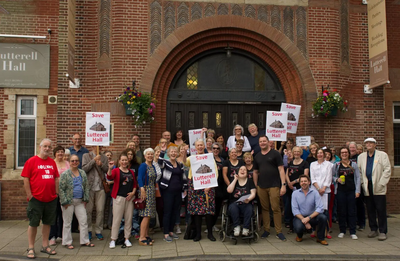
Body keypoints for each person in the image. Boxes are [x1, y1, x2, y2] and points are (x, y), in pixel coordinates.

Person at [22, 138, 59, 259]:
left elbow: (56, 178)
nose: (47, 149)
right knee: (33, 223)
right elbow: (26, 179)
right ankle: (31, 247)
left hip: (50, 199)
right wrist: (29, 195)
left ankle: (45, 246)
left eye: (49, 147)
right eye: (45, 146)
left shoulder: (52, 162)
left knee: (47, 223)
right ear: (40, 147)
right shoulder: (31, 161)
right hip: (36, 199)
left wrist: (56, 193)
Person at [253, 135, 287, 241]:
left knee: (275, 208)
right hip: (261, 186)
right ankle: (266, 230)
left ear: (268, 142)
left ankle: (279, 231)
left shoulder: (275, 154)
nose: (262, 143)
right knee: (265, 209)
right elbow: (255, 172)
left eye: (264, 141)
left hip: (274, 185)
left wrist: (283, 185)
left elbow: (281, 169)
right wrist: (256, 185)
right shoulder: (257, 156)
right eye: (260, 141)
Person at [357, 138, 391, 241]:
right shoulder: (361, 157)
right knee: (370, 209)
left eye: (371, 143)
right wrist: (362, 183)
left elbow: (387, 170)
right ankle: (373, 228)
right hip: (367, 186)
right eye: (367, 143)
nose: (368, 145)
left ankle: (382, 231)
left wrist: (381, 183)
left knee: (380, 210)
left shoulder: (382, 155)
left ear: (375, 145)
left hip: (378, 186)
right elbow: (359, 172)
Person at [185, 139, 218, 242]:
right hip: (195, 186)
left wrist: (210, 186)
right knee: (197, 211)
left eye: (201, 145)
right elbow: (183, 162)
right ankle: (198, 234)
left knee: (208, 211)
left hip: (208, 186)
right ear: (195, 147)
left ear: (204, 146)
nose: (199, 147)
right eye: (198, 145)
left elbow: (215, 172)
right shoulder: (191, 158)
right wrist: (183, 152)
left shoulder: (209, 158)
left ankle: (210, 233)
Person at [59, 154, 94, 249]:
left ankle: (85, 240)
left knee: (83, 221)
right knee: (67, 222)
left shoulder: (82, 173)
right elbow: (61, 189)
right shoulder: (65, 174)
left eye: (76, 161)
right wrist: (64, 201)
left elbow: (86, 187)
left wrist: (85, 199)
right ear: (69, 162)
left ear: (79, 162)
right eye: (72, 161)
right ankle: (67, 242)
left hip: (80, 202)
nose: (74, 162)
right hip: (68, 202)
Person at [107, 153, 137, 249]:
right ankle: (113, 239)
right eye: (122, 160)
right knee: (117, 219)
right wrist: (110, 168)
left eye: (125, 160)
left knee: (128, 219)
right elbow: (109, 177)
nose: (124, 162)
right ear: (119, 161)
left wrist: (133, 193)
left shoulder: (131, 172)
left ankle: (126, 238)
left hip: (129, 198)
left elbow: (135, 185)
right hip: (119, 198)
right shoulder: (116, 170)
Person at [158, 145, 187, 243]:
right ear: (168, 154)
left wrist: (185, 188)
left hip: (178, 192)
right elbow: (159, 163)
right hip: (168, 191)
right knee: (168, 212)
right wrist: (162, 151)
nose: (173, 153)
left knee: (175, 211)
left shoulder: (179, 164)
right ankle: (166, 233)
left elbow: (183, 177)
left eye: (175, 152)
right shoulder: (165, 163)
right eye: (171, 152)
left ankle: (171, 231)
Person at [291, 175, 328, 245]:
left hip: (312, 216)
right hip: (300, 217)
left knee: (323, 217)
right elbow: (295, 210)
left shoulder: (315, 193)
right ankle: (299, 236)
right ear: (299, 183)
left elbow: (320, 208)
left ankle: (320, 238)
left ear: (309, 182)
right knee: (298, 227)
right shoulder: (295, 194)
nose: (303, 183)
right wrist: (304, 220)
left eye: (305, 181)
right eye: (301, 181)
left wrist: (308, 218)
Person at [82, 146, 109, 240]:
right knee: (88, 210)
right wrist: (93, 160)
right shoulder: (86, 156)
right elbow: (84, 169)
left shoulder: (104, 157)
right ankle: (88, 230)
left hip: (100, 187)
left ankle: (98, 230)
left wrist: (101, 164)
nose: (99, 147)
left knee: (100, 210)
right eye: (97, 145)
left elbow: (106, 170)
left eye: (101, 146)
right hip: (89, 187)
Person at [333, 147, 361, 240]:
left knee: (352, 211)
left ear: (348, 153)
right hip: (341, 191)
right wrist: (337, 179)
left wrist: (358, 191)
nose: (344, 154)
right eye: (342, 153)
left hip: (351, 191)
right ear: (340, 155)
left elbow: (358, 178)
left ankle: (352, 231)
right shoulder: (337, 165)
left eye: (346, 152)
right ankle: (342, 230)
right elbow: (332, 176)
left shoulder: (354, 164)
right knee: (342, 211)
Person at [138, 148, 162, 246]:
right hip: (146, 191)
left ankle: (146, 235)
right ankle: (141, 237)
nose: (150, 156)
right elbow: (139, 178)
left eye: (151, 154)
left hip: (152, 191)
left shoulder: (152, 165)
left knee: (149, 214)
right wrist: (142, 189)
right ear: (144, 156)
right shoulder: (143, 166)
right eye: (148, 154)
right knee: (146, 215)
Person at [310, 148, 333, 239]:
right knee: (315, 210)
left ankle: (326, 231)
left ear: (324, 154)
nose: (319, 155)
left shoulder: (329, 165)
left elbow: (329, 177)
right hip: (315, 190)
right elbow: (313, 178)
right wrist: (318, 188)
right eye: (318, 153)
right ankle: (315, 230)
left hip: (325, 191)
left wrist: (323, 188)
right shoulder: (312, 164)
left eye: (321, 153)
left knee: (325, 212)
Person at [285, 146, 309, 233]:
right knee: (291, 207)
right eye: (295, 151)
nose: (296, 153)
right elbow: (286, 174)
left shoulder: (305, 163)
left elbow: (305, 176)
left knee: (301, 206)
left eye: (298, 151)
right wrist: (289, 183)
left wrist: (294, 182)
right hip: (290, 188)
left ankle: (303, 225)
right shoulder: (290, 162)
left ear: (301, 153)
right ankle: (292, 226)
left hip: (300, 188)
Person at [227, 166, 256, 236]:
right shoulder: (234, 180)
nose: (242, 171)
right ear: (238, 172)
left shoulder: (250, 181)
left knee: (249, 208)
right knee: (233, 207)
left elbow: (253, 193)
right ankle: (236, 227)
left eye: (244, 170)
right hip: (235, 203)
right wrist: (235, 179)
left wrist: (248, 199)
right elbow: (229, 190)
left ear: (247, 173)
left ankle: (246, 228)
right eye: (241, 169)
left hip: (246, 203)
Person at [49, 146, 70, 246]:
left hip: (64, 193)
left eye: (62, 152)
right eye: (58, 152)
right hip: (53, 192)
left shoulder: (67, 163)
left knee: (64, 215)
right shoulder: (51, 163)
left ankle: (61, 235)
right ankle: (52, 236)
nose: (60, 154)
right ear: (55, 154)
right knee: (54, 214)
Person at [349, 141, 365, 231]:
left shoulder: (360, 158)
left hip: (358, 184)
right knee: (351, 205)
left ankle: (361, 223)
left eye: (353, 148)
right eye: (350, 148)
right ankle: (352, 222)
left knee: (359, 204)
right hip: (349, 185)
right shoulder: (346, 158)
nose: (352, 149)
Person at [210, 142, 224, 232]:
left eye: (217, 148)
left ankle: (213, 224)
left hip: (220, 187)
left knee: (217, 207)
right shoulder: (208, 159)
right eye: (214, 148)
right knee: (210, 207)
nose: (216, 150)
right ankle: (209, 225)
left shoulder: (222, 160)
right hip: (210, 186)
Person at [103, 150, 115, 230]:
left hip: (111, 187)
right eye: (107, 155)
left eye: (110, 155)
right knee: (103, 206)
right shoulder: (102, 165)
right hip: (103, 187)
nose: (109, 157)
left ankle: (110, 223)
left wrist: (111, 182)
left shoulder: (114, 166)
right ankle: (103, 223)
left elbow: (117, 178)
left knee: (111, 206)